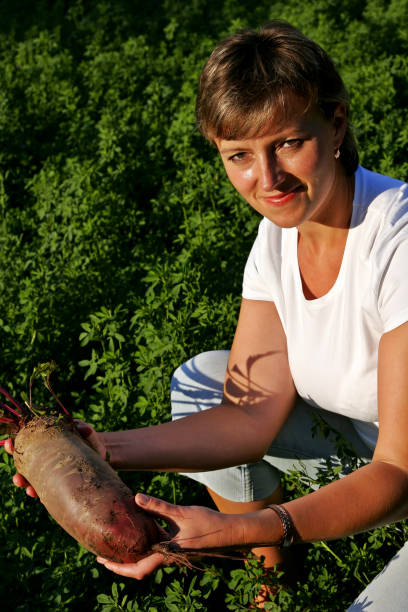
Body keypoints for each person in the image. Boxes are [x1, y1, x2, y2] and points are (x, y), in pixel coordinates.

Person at [6, 20, 408, 609]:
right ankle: (273, 588)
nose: (266, 179)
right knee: (200, 380)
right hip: (370, 452)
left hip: (396, 468)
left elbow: (398, 470)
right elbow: (249, 416)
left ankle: (275, 540)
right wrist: (95, 450)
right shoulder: (277, 238)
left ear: (337, 122)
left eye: (288, 143)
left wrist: (251, 525)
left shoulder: (396, 240)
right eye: (240, 155)